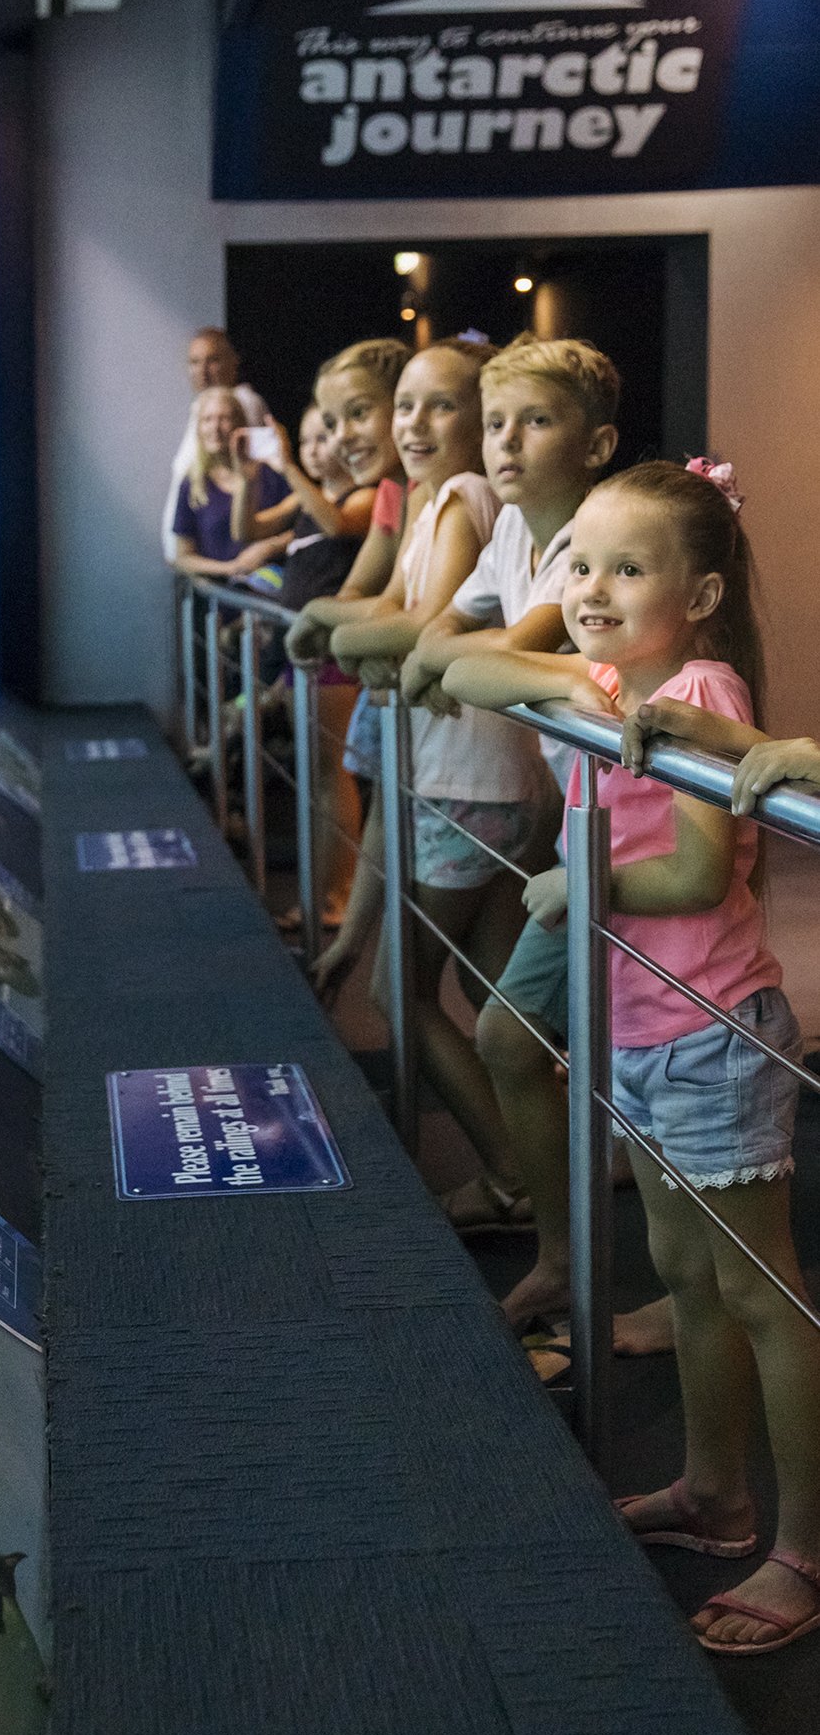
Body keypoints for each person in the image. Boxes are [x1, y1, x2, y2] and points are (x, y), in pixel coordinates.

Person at [446, 461, 820, 1654]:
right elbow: (465, 666)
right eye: (580, 563)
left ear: (701, 591)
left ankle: (802, 1547)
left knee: (759, 1293)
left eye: (628, 567)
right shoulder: (611, 679)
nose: (592, 586)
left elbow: (703, 873)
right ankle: (715, 1495)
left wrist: (583, 880)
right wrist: (566, 661)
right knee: (685, 1273)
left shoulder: (699, 681)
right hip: (647, 1032)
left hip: (710, 1032)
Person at [396, 336, 619, 1253]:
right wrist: (445, 649)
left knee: (544, 1037)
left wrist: (440, 656)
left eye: (535, 421)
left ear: (596, 444)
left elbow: (486, 645)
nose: (507, 442)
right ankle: (562, 1247)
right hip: (573, 832)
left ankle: (577, 1255)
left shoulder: (587, 536)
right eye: (496, 424)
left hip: (619, 833)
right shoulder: (516, 533)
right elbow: (453, 625)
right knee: (514, 1031)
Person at [324, 340, 553, 1197]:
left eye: (444, 405)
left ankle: (511, 1179)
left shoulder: (464, 496)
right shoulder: (432, 503)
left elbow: (422, 628)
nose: (413, 422)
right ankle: (549, 1174)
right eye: (406, 404)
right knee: (501, 1004)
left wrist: (337, 633)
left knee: (399, 991)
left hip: (468, 785)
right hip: (483, 782)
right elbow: (409, 616)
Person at [283, 337, 411, 967]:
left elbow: (414, 615)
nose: (340, 437)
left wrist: (325, 624)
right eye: (331, 422)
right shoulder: (392, 494)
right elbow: (368, 591)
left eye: (358, 415)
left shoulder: (444, 495)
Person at [160, 327, 269, 562]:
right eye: (195, 362)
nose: (202, 371)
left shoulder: (243, 402)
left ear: (234, 361)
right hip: (197, 566)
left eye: (213, 360)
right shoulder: (201, 406)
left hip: (228, 569)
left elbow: (253, 479)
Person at [169, 386, 289, 579]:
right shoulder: (192, 484)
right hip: (221, 600)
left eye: (224, 418)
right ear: (198, 427)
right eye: (208, 419)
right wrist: (232, 568)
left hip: (270, 594)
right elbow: (183, 556)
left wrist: (268, 548)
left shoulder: (269, 474)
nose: (215, 428)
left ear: (240, 423)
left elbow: (303, 529)